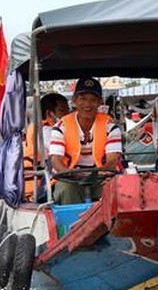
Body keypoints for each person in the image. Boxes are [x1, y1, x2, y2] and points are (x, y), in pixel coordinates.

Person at [49, 76, 123, 205]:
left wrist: (104, 174)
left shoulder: (111, 128)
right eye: (82, 99)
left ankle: (110, 224)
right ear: (74, 100)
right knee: (65, 189)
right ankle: (71, 224)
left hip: (101, 177)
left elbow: (112, 160)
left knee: (114, 189)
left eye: (93, 99)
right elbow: (56, 160)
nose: (87, 104)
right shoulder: (61, 127)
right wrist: (69, 174)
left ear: (100, 102)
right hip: (70, 179)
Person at [23, 92, 69, 201]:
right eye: (62, 111)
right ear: (49, 114)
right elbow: (60, 154)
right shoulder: (45, 131)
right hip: (40, 186)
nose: (67, 115)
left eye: (68, 110)